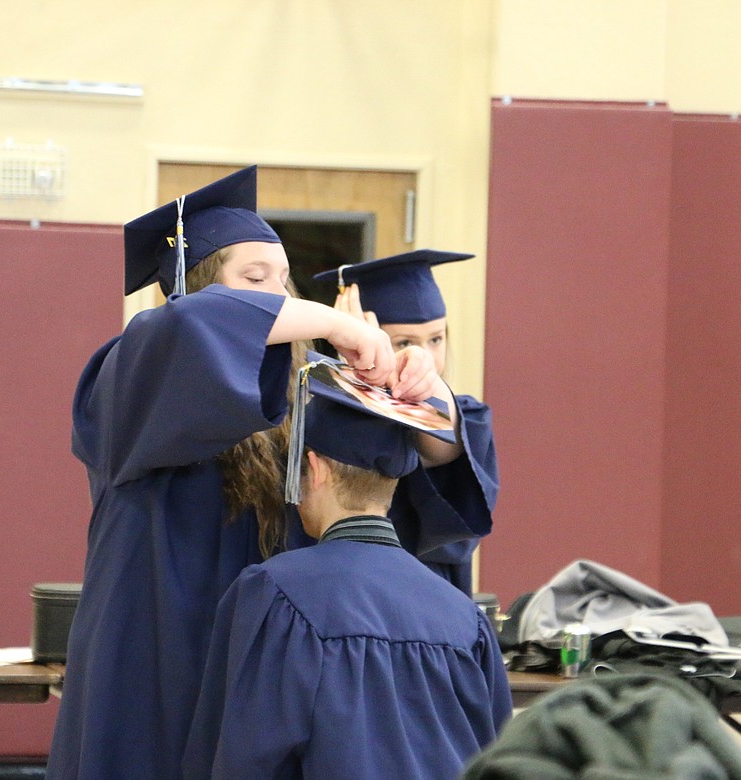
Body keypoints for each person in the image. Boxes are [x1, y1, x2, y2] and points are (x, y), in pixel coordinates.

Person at [46, 166, 443, 779]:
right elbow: (189, 330)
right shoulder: (133, 372)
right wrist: (333, 322)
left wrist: (420, 385)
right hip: (156, 653)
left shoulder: (304, 386)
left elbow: (401, 469)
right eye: (255, 280)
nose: (281, 297)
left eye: (284, 281)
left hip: (263, 659)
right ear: (197, 288)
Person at [183, 378, 512, 779]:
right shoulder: (465, 619)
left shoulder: (277, 595)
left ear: (315, 469)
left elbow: (244, 756)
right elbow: (498, 758)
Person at [312, 249, 500, 596]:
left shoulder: (467, 418)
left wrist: (430, 391)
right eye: (403, 342)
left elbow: (442, 449)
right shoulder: (320, 421)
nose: (425, 357)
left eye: (436, 338)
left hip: (427, 604)